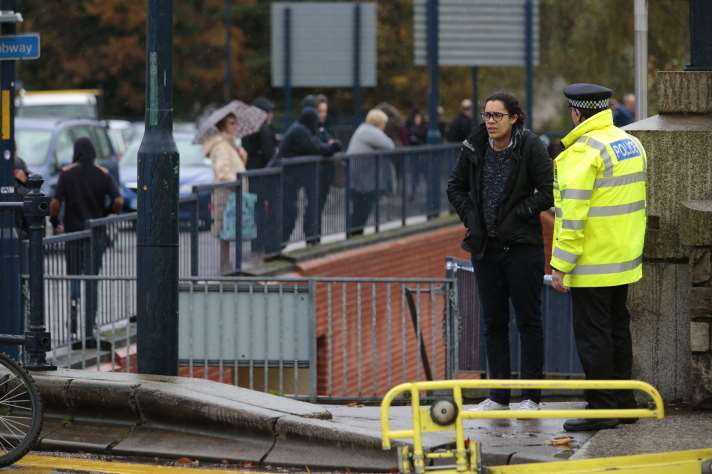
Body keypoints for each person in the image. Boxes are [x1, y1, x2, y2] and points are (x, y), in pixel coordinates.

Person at [447, 92, 553, 412]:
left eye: (497, 116)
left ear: (514, 118)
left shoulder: (530, 146)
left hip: (522, 248)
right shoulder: (474, 146)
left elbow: (548, 191)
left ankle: (531, 396)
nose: (490, 122)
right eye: (487, 115)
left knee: (528, 321)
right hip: (486, 248)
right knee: (493, 322)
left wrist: (521, 213)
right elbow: (455, 187)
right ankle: (498, 395)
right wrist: (472, 218)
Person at [550, 83, 647, 432]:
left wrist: (560, 264)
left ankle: (601, 408)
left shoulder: (582, 153)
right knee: (618, 330)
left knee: (594, 338)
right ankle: (624, 403)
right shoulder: (629, 143)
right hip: (624, 258)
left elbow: (572, 219)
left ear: (577, 113)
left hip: (592, 263)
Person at [49, 137, 123, 346]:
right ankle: (89, 327)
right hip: (96, 234)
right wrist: (106, 212)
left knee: (74, 277)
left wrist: (55, 220)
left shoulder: (66, 173)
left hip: (73, 233)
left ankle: (72, 320)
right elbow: (118, 200)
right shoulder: (103, 173)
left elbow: (55, 203)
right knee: (92, 278)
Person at [275, 107, 342, 248]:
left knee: (290, 213)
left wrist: (330, 145)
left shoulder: (301, 128)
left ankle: (277, 247)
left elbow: (316, 144)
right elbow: (315, 147)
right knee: (288, 214)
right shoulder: (299, 131)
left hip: (289, 177)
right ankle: (275, 248)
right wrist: (334, 147)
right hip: (283, 177)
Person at [202, 112, 248, 273]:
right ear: (223, 126)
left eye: (236, 122)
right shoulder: (221, 146)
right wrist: (237, 180)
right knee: (226, 231)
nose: (235, 126)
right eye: (231, 123)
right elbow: (222, 171)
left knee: (231, 230)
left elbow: (235, 166)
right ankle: (226, 267)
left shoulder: (230, 144)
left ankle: (229, 266)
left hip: (232, 192)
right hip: (226, 193)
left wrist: (242, 156)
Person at [346, 109, 396, 235]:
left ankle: (355, 232)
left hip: (359, 176)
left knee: (360, 207)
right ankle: (354, 233)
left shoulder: (363, 129)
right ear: (379, 123)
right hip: (363, 179)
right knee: (362, 207)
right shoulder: (370, 131)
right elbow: (390, 145)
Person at [242, 97, 278, 255]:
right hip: (264, 174)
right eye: (268, 112)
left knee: (257, 210)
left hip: (253, 173)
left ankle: (256, 245)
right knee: (265, 211)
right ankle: (265, 244)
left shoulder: (248, 129)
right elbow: (270, 152)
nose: (271, 115)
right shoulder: (264, 129)